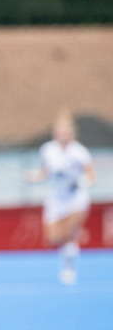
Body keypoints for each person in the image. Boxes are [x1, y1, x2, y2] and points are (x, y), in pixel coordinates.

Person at [26, 110, 95, 285]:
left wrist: (81, 181)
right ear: (55, 133)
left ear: (73, 133)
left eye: (67, 132)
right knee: (54, 239)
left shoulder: (80, 152)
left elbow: (91, 176)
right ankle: (70, 241)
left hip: (75, 198)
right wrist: (33, 176)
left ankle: (69, 267)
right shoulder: (47, 150)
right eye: (60, 132)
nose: (63, 136)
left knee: (69, 234)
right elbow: (44, 173)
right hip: (56, 200)